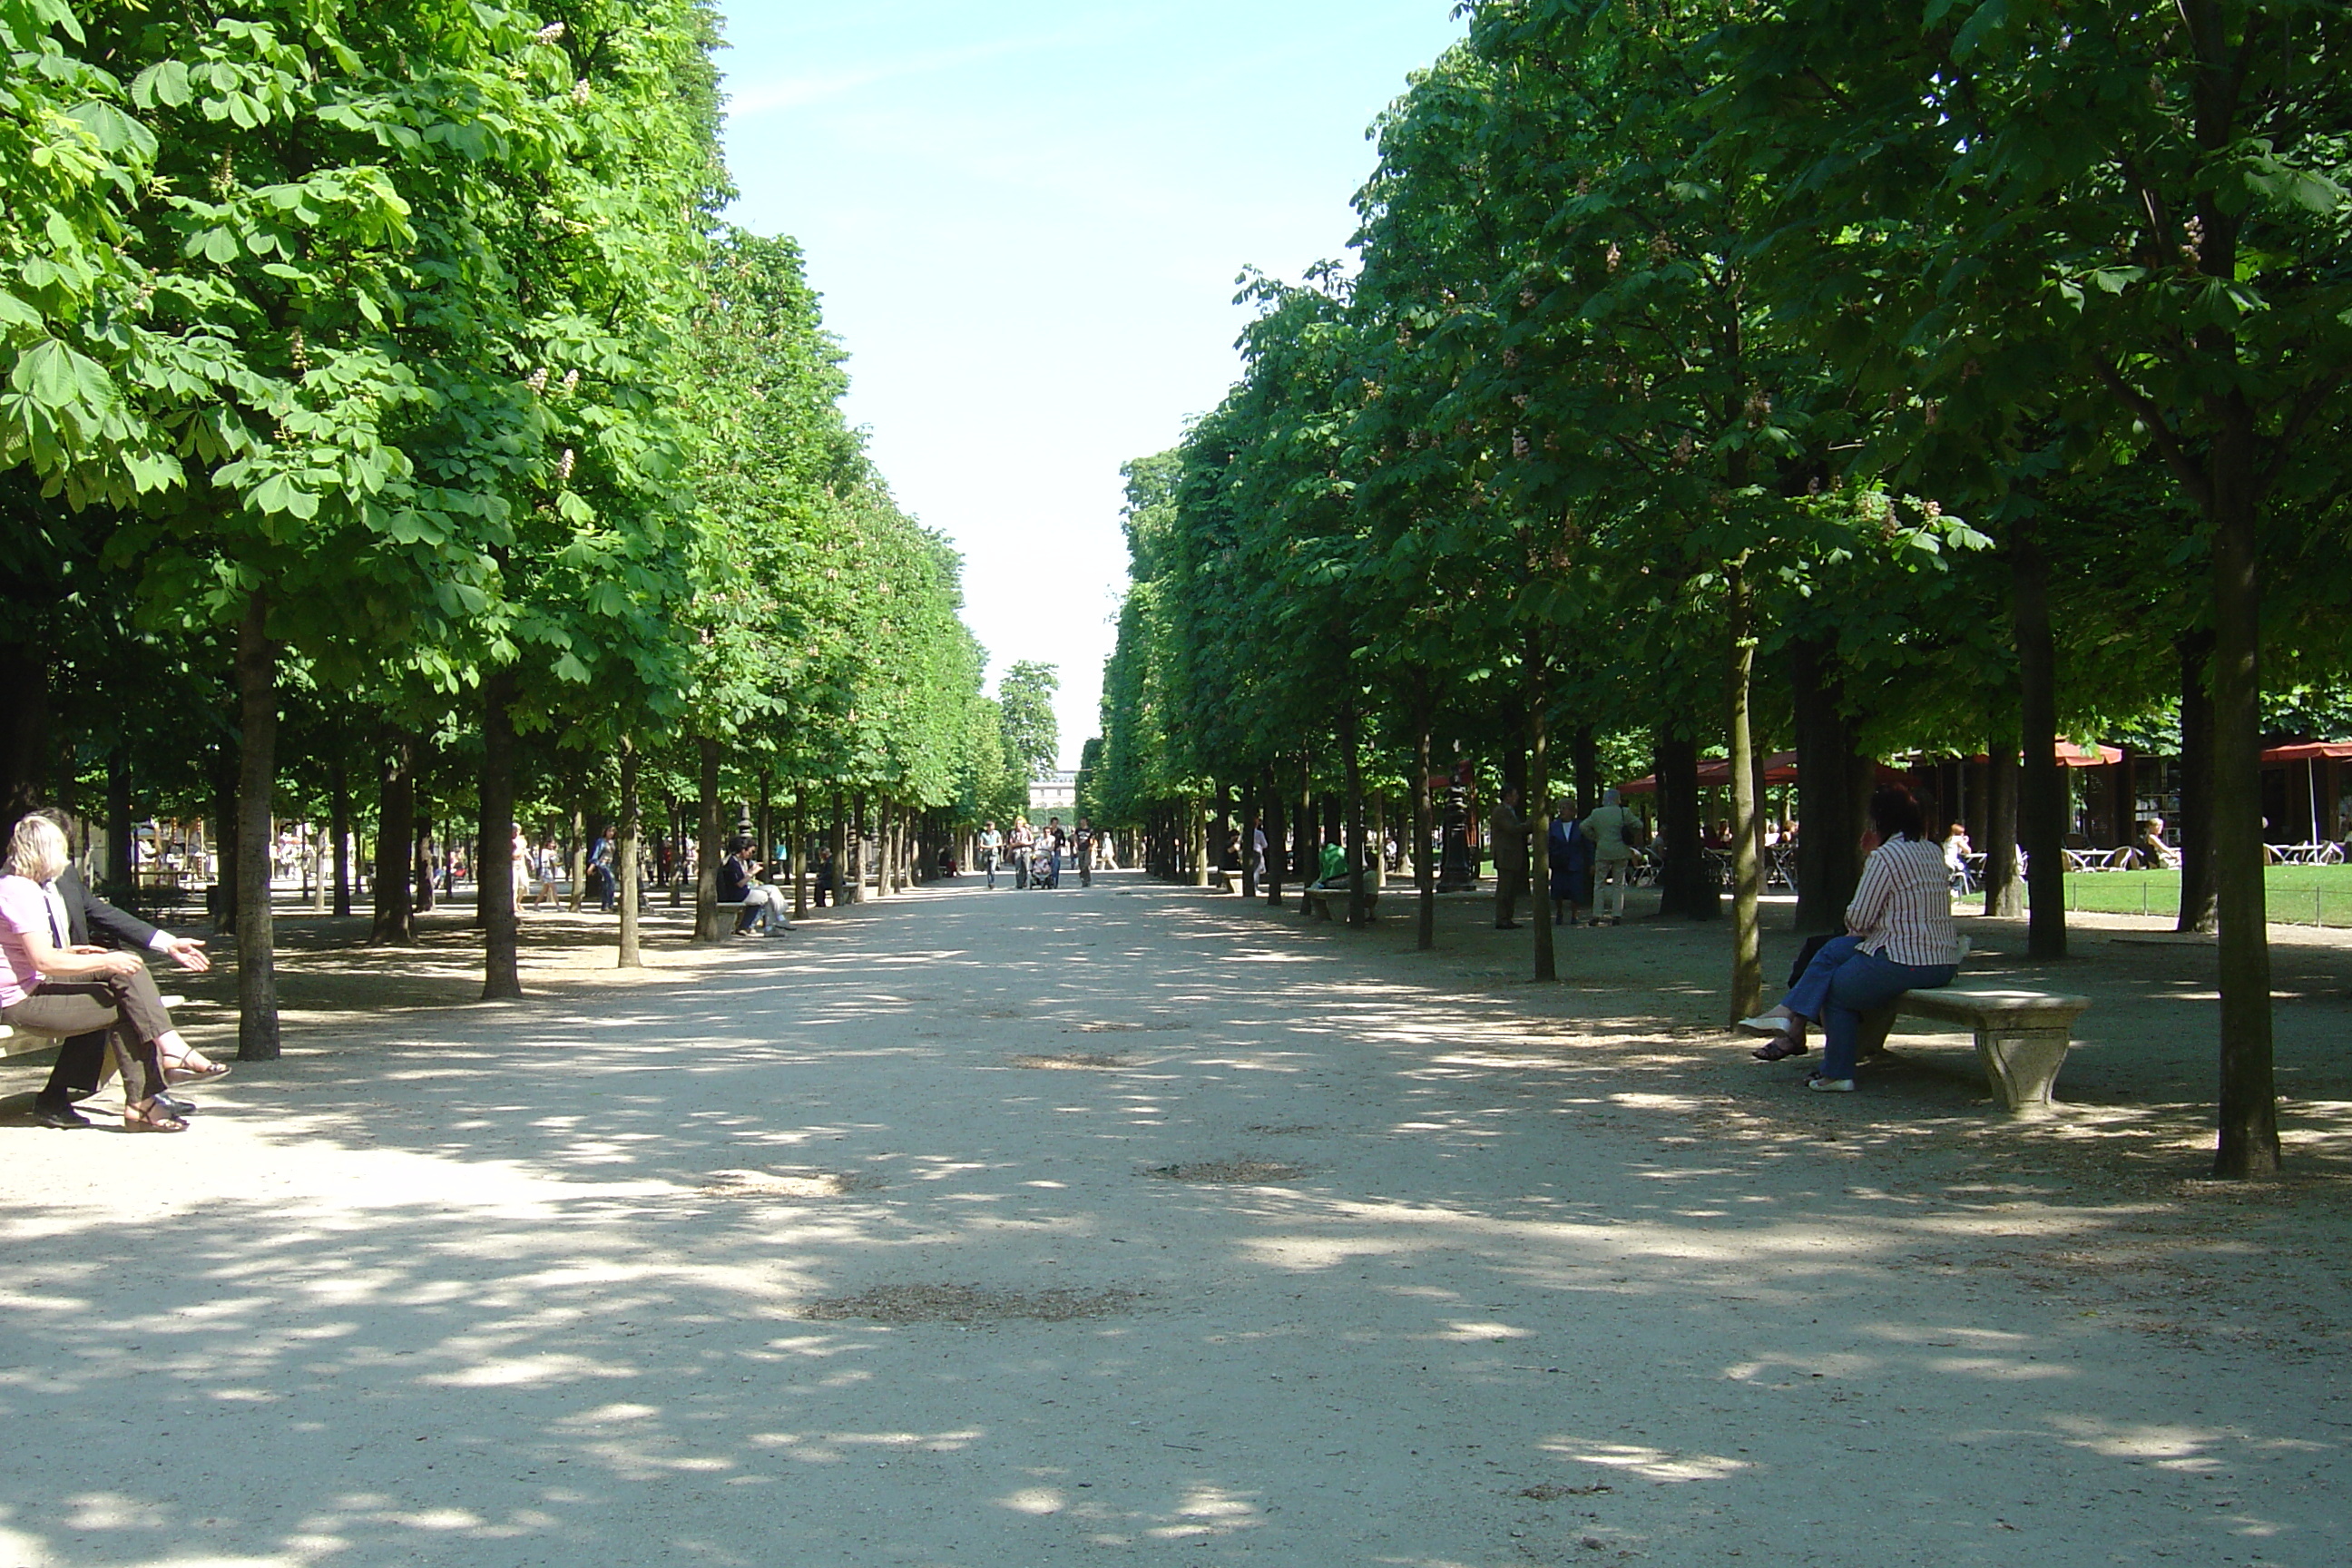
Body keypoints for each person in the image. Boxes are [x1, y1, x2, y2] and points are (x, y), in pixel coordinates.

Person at [1738, 787, 1962, 1091]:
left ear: (1881, 818)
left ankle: (1836, 1072)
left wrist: (1871, 855)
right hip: (1943, 960)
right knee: (1832, 950)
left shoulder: (1887, 856)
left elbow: (1858, 919)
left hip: (1902, 960)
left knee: (1836, 988)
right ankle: (1789, 1017)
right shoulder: (1932, 851)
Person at [5, 815, 204, 1132]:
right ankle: (149, 1094)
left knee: (128, 971)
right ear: (46, 849)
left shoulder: (29, 885)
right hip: (23, 996)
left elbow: (98, 916)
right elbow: (42, 961)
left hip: (40, 980)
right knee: (128, 1002)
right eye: (62, 847)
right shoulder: (19, 890)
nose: (66, 856)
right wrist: (104, 963)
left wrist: (78, 954)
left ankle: (164, 1069)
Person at [1581, 789, 1640, 926]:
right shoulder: (1624, 812)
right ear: (1617, 799)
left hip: (1602, 851)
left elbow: (1583, 826)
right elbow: (1639, 825)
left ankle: (1597, 914)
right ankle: (1616, 914)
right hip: (1621, 851)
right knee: (1618, 883)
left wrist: (1596, 838)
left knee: (1599, 883)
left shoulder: (1596, 813)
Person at [719, 837, 790, 936]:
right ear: (743, 850)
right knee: (767, 897)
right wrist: (752, 873)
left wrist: (750, 872)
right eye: (751, 852)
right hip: (737, 894)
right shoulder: (732, 863)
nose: (751, 855)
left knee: (772, 889)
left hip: (743, 891)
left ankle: (779, 918)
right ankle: (773, 924)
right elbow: (739, 883)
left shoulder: (740, 861)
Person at [1549, 799, 1594, 928]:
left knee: (1575, 890)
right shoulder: (1554, 826)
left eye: (1565, 808)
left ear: (1573, 811)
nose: (1562, 811)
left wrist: (1591, 863)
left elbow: (1588, 846)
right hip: (1559, 863)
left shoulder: (1580, 826)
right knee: (1558, 890)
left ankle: (1574, 915)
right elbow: (1549, 844)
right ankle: (1559, 913)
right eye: (1560, 808)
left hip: (1575, 863)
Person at [1489, 786, 1529, 930]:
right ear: (1507, 796)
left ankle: (1508, 918)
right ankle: (1502, 919)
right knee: (1505, 889)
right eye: (1515, 794)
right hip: (1505, 856)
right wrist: (1530, 824)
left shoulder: (1509, 812)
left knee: (1511, 889)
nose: (1517, 797)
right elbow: (1512, 829)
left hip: (1512, 856)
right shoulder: (1501, 812)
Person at [977, 820, 1003, 889]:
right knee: (988, 869)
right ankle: (990, 883)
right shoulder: (983, 834)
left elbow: (1000, 842)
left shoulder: (997, 833)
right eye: (989, 826)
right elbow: (980, 844)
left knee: (992, 869)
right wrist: (988, 847)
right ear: (987, 827)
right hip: (986, 853)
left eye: (992, 826)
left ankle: (992, 882)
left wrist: (995, 845)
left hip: (994, 853)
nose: (991, 828)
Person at [1075, 818, 1097, 888]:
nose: (1082, 823)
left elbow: (1093, 839)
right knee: (1081, 865)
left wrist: (1091, 847)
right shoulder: (1078, 830)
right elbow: (1075, 839)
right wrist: (1075, 847)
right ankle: (1083, 879)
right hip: (1080, 849)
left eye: (1083, 822)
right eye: (1081, 822)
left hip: (1087, 849)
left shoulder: (1090, 830)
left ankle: (1087, 880)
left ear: (1086, 822)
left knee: (1086, 865)